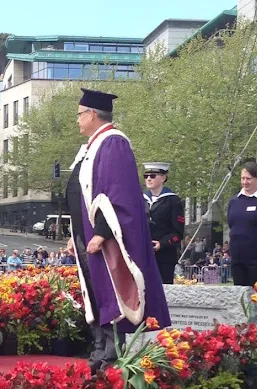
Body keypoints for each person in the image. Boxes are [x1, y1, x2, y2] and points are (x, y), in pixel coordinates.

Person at [65, 88, 170, 373]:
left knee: (109, 293)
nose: (76, 120)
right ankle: (99, 349)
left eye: (78, 115)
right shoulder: (91, 146)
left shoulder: (113, 143)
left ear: (91, 114)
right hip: (86, 234)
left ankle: (111, 355)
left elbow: (118, 192)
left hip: (106, 238)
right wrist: (74, 234)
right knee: (95, 293)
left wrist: (101, 231)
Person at [227, 160, 257, 299]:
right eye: (242, 178)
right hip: (238, 261)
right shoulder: (234, 201)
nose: (245, 182)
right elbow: (231, 224)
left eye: (249, 179)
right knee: (241, 302)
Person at [143, 162, 184, 284]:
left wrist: (162, 243)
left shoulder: (173, 200)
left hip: (165, 257)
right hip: (143, 254)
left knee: (164, 291)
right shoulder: (141, 199)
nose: (149, 179)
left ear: (163, 178)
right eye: (146, 176)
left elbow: (178, 232)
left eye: (153, 176)